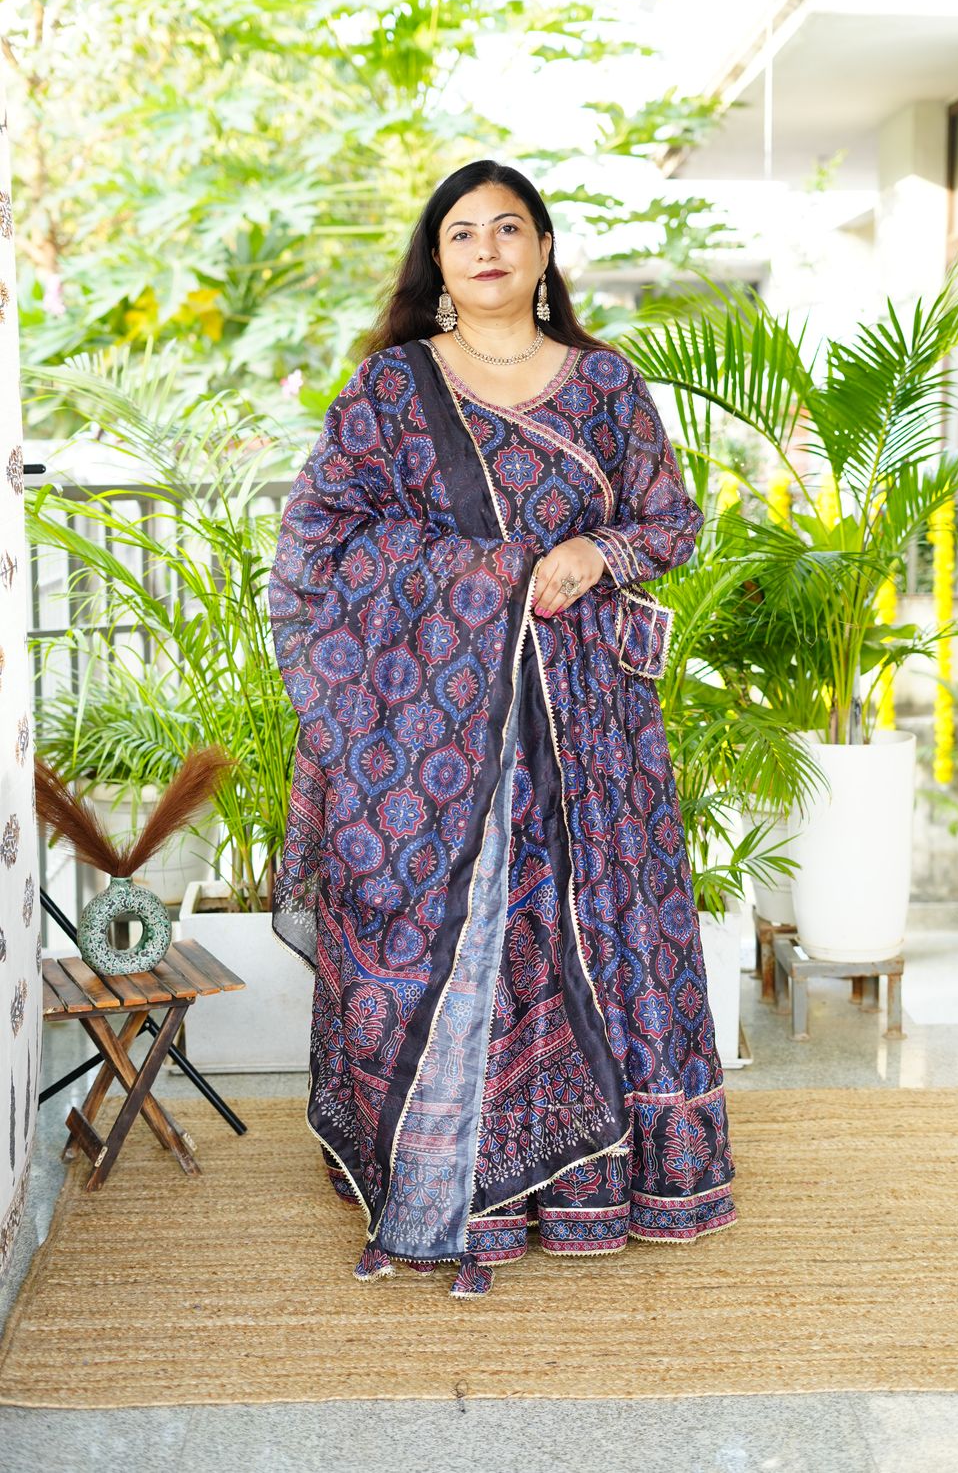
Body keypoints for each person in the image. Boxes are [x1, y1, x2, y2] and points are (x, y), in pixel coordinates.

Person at [269, 158, 737, 1301]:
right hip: (441, 727)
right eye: (462, 233)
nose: (486, 249)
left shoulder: (605, 383)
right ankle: (446, 1174)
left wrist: (593, 552)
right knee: (459, 920)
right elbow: (320, 542)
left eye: (508, 228)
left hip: (588, 720)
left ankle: (611, 1182)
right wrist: (491, 576)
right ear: (437, 261)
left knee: (609, 921)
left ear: (543, 250)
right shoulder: (392, 389)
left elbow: (670, 521)